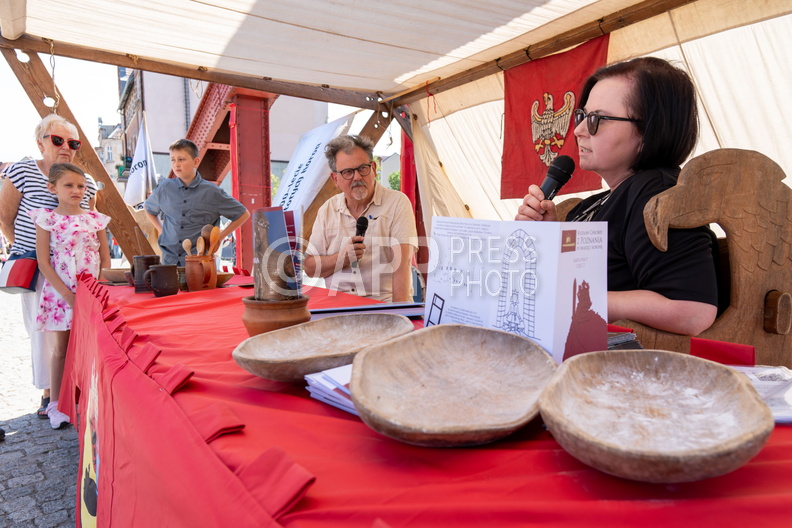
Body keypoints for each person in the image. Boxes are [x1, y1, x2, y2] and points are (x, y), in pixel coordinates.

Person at [515, 57, 718, 336]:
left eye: (597, 119)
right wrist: (548, 237)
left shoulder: (658, 192)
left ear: (650, 130)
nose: (579, 130)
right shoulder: (593, 204)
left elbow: (691, 311)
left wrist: (579, 302)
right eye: (582, 116)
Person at [0, 114, 98, 418]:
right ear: (40, 142)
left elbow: (90, 223)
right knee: (42, 331)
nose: (65, 146)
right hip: (35, 263)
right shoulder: (23, 171)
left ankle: (71, 388)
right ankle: (48, 394)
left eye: (72, 142)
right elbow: (4, 215)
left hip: (74, 268)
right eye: (57, 140)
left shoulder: (87, 182)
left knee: (75, 330)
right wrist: (29, 250)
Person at [30, 163, 111, 429]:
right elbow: (43, 262)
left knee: (93, 347)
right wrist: (67, 295)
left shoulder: (95, 219)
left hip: (92, 292)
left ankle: (90, 398)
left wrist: (99, 290)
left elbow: (105, 259)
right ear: (52, 187)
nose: (76, 190)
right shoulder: (47, 219)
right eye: (69, 185)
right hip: (60, 293)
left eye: (81, 186)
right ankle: (55, 403)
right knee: (60, 350)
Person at [303, 135, 418, 302]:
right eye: (348, 172)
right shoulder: (327, 210)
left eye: (362, 168)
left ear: (373, 168)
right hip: (337, 308)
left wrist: (399, 316)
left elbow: (402, 265)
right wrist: (341, 258)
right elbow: (310, 268)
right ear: (335, 179)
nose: (357, 177)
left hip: (382, 307)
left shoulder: (397, 203)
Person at [145, 139, 250, 266]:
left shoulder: (212, 192)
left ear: (196, 162)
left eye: (181, 159)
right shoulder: (164, 188)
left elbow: (243, 214)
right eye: (172, 160)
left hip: (200, 262)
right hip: (169, 260)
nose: (176, 164)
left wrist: (220, 237)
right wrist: (161, 230)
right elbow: (149, 209)